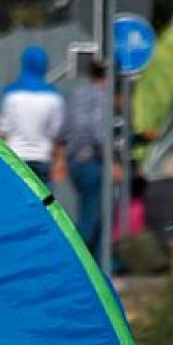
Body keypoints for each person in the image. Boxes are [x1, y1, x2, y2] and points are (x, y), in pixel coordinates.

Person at [0, 45, 65, 187]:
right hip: (42, 157)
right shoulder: (53, 97)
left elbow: (3, 130)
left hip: (16, 156)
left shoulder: (12, 95)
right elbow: (57, 134)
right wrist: (59, 161)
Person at [62, 60, 109, 261]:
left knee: (92, 214)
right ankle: (71, 259)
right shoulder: (101, 97)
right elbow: (99, 133)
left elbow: (65, 129)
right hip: (92, 161)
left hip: (75, 161)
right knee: (92, 217)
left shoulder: (78, 94)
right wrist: (112, 158)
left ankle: (97, 266)